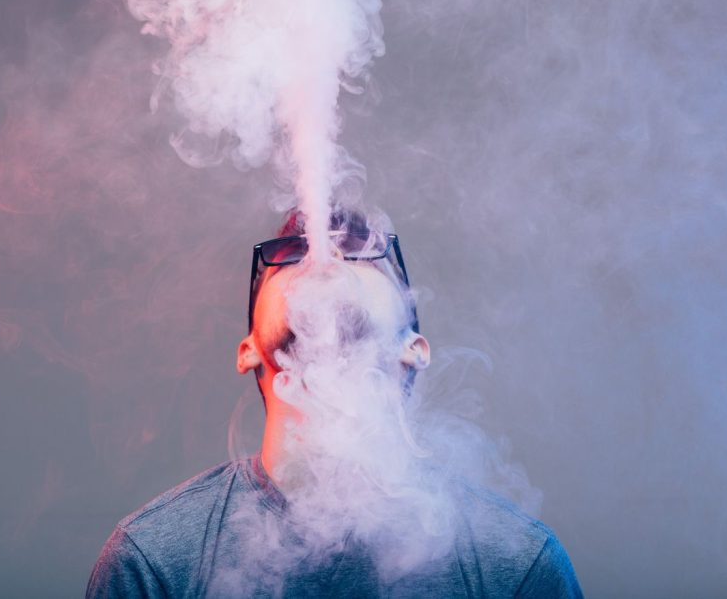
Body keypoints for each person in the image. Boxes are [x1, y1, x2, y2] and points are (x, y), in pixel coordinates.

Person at [87, 209, 583, 598]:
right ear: (248, 350)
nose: (322, 257)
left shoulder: (517, 564)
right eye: (292, 254)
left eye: (358, 253)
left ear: (414, 348)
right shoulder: (154, 560)